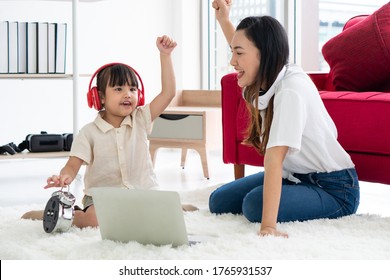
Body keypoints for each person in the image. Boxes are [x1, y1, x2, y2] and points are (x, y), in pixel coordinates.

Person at [209, 0, 360, 237]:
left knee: (253, 205)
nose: (232, 61)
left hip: (334, 189)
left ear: (265, 55)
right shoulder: (268, 77)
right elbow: (246, 48)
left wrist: (268, 227)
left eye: (238, 54)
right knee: (218, 201)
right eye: (233, 52)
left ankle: (281, 207)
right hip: (294, 176)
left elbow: (273, 159)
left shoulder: (290, 90)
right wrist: (224, 20)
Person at [22, 35, 197, 228]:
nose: (128, 94)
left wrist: (165, 55)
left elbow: (168, 93)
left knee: (163, 217)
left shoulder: (141, 118)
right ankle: (58, 213)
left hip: (142, 192)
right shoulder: (88, 132)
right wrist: (64, 177)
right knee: (96, 221)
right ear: (100, 97)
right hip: (102, 198)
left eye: (132, 89)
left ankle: (175, 207)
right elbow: (72, 165)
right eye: (119, 88)